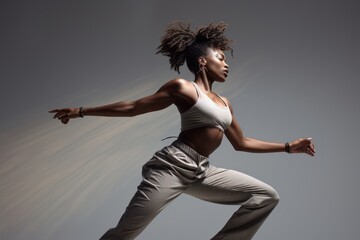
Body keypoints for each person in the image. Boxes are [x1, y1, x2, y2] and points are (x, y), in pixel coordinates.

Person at [49, 21, 315, 240]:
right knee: (125, 233)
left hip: (203, 171)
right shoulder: (184, 88)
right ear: (202, 61)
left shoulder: (225, 103)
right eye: (220, 58)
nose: (226, 64)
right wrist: (81, 111)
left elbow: (242, 142)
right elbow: (134, 106)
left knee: (266, 196)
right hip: (173, 166)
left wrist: (289, 147)